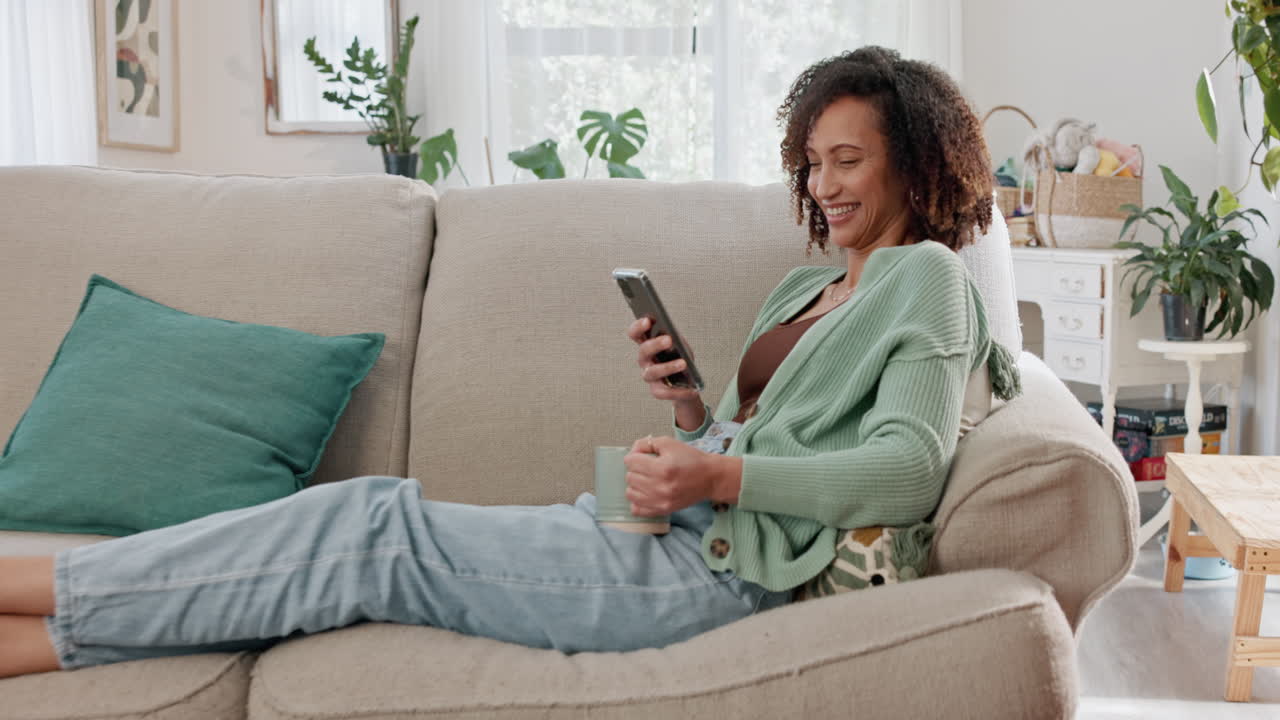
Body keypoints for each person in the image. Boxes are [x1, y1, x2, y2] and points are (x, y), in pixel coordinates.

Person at [0, 46, 1018, 678]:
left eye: (847, 157)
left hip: (722, 571)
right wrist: (691, 415)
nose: (821, 180)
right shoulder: (808, 286)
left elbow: (907, 466)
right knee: (363, 532)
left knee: (372, 530)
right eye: (810, 157)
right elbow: (755, 441)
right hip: (672, 522)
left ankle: (41, 587)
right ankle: (40, 637)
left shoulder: (924, 277)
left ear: (915, 161)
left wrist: (719, 472)